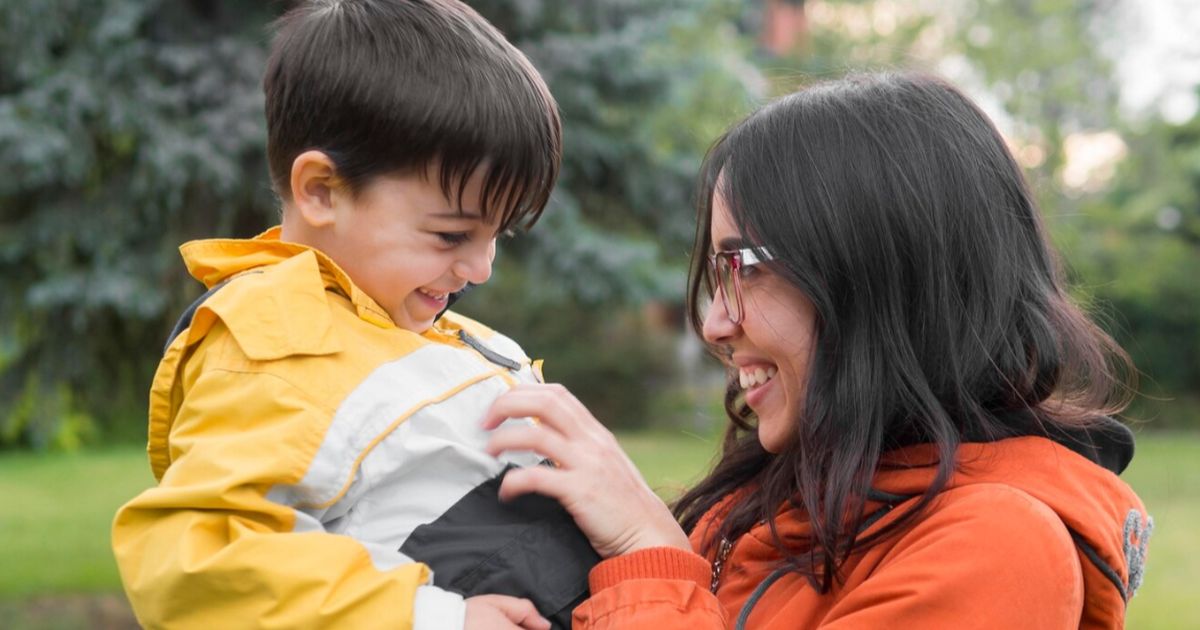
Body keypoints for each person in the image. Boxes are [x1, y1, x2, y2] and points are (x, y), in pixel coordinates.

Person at [482, 72, 1153, 629]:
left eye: (744, 265)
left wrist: (647, 555)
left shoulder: (1001, 549)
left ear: (882, 273)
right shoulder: (774, 496)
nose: (715, 323)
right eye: (718, 276)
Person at [111, 1, 598, 629]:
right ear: (321, 191)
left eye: (497, 234)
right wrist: (434, 619)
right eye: (452, 235)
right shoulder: (276, 340)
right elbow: (202, 562)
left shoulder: (410, 321)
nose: (481, 268)